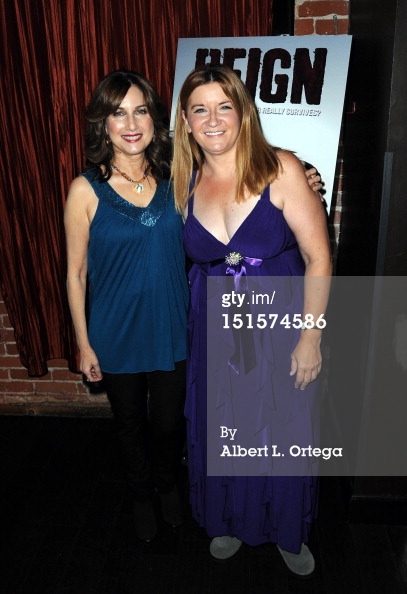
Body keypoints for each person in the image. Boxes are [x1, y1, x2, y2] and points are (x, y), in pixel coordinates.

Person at [171, 64, 332, 576]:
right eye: (200, 108)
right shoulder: (182, 181)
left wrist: (311, 338)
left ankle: (287, 531)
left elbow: (320, 258)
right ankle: (229, 520)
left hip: (281, 329)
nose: (213, 118)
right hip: (213, 334)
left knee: (281, 428)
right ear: (186, 119)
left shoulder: (281, 169)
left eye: (225, 106)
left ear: (243, 112)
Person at [64, 70, 189, 542]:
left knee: (168, 422)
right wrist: (83, 343)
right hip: (114, 330)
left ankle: (167, 483)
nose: (131, 122)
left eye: (140, 110)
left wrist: (303, 171)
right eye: (118, 112)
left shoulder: (178, 176)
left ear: (156, 119)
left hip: (173, 325)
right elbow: (76, 273)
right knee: (130, 424)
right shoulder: (85, 189)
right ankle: (141, 494)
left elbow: (236, 182)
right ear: (103, 123)